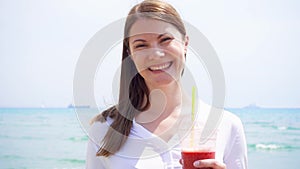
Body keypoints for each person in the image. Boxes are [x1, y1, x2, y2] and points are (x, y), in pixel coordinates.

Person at [86, 0, 248, 168]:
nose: (156, 54)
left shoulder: (226, 125)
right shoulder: (104, 129)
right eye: (141, 45)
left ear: (185, 43)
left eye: (165, 39)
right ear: (130, 54)